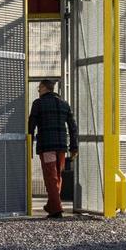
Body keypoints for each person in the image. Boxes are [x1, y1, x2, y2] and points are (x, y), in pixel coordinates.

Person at [27, 78, 77, 218]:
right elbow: (73, 127)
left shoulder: (38, 104)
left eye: (39, 87)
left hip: (47, 146)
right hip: (61, 147)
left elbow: (31, 126)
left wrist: (28, 146)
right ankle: (51, 205)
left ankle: (56, 209)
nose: (38, 90)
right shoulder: (64, 104)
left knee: (51, 177)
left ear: (44, 88)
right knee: (57, 177)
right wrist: (74, 147)